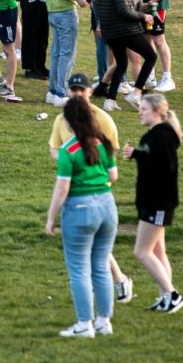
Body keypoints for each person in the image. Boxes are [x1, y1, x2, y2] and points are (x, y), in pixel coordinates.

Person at [48, 73, 134, 304]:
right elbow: (55, 150)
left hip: (96, 190)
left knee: (90, 246)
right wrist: (72, 159)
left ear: (89, 92)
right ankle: (116, 282)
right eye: (73, 90)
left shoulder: (103, 119)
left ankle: (100, 294)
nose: (77, 94)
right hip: (76, 189)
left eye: (81, 90)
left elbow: (110, 156)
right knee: (95, 245)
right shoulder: (61, 120)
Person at [44, 97, 118, 338]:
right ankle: (104, 322)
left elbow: (62, 188)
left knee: (79, 270)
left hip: (80, 209)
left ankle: (84, 324)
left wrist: (51, 218)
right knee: (101, 267)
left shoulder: (68, 151)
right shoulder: (103, 143)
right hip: (107, 206)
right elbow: (113, 175)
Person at [122, 94, 183, 313]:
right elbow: (154, 160)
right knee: (158, 253)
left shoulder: (163, 136)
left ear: (158, 112)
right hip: (151, 202)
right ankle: (164, 297)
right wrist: (137, 154)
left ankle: (172, 295)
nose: (140, 112)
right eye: (140, 108)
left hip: (158, 203)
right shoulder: (154, 135)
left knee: (142, 252)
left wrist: (139, 155)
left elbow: (165, 169)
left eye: (144, 109)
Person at [93, 0, 156, 112]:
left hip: (110, 32)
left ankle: (110, 100)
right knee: (151, 56)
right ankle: (137, 92)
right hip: (126, 30)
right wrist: (144, 16)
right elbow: (124, 11)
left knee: (121, 63)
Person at [39, 0, 88, 108]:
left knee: (56, 53)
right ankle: (60, 93)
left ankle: (52, 92)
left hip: (52, 11)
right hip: (65, 11)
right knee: (67, 54)